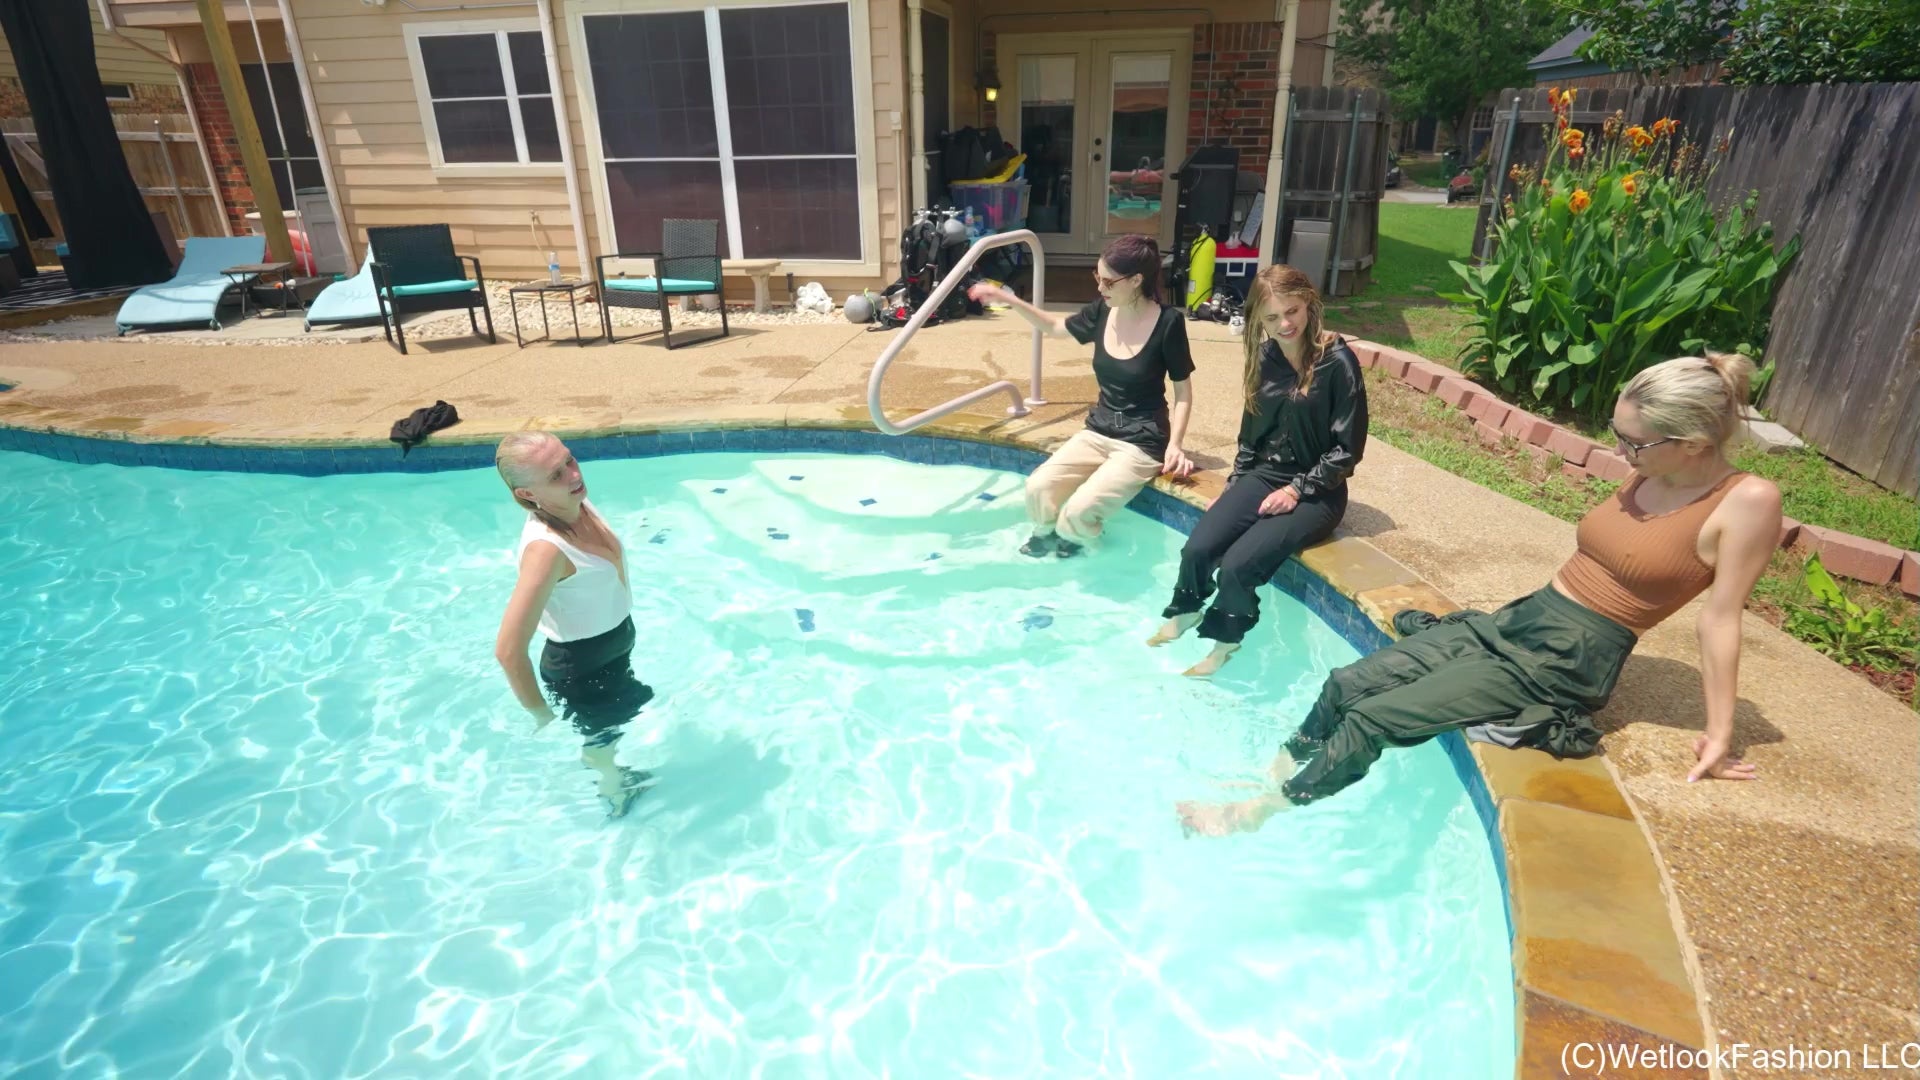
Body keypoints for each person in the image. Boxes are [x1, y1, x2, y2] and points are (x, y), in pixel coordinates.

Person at [1176, 353, 1781, 836]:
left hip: (1565, 659)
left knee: (1373, 718)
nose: (1620, 453)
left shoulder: (1747, 502)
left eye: (1634, 443)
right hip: (1524, 617)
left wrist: (1721, 735)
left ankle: (1261, 812)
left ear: (1696, 441)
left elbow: (1721, 620)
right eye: (1618, 436)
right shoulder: (1656, 466)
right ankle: (1273, 772)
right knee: (1345, 684)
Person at [1148, 265, 1369, 676]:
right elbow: (1251, 436)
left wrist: (1296, 490)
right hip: (1264, 475)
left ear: (1309, 305)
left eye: (1293, 311)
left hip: (1318, 492)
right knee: (1197, 549)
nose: (1284, 324)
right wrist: (1235, 487)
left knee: (1237, 566)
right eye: (1271, 318)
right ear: (1257, 320)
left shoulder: (1337, 363)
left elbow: (1347, 450)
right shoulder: (1265, 357)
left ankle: (1226, 642)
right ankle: (1187, 610)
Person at [967, 234, 1196, 558]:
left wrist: (1176, 444)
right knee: (1038, 487)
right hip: (1098, 431)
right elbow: (1054, 327)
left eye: (1107, 281)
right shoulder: (1103, 312)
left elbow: (1183, 391)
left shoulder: (1168, 323)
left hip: (1141, 442)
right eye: (1096, 277)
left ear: (1135, 281)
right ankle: (1049, 538)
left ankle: (1090, 554)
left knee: (1078, 512)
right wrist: (1010, 300)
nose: (1099, 287)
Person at [493, 431, 655, 819]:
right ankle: (613, 793)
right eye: (555, 475)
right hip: (582, 668)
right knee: (602, 737)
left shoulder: (575, 503)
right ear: (527, 495)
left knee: (621, 718)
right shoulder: (546, 552)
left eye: (569, 459)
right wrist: (540, 714)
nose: (572, 475)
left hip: (612, 647)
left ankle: (613, 773)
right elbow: (508, 649)